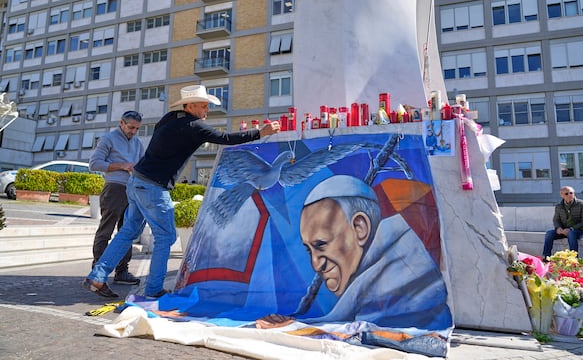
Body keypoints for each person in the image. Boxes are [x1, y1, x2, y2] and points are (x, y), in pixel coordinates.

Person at [82, 85, 281, 298]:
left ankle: (98, 276)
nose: (207, 110)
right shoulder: (194, 126)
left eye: (207, 106)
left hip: (136, 182)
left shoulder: (170, 118)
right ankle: (154, 289)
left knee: (128, 231)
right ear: (191, 106)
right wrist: (261, 133)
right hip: (153, 187)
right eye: (203, 106)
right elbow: (225, 139)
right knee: (166, 236)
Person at [258, 175, 452, 331]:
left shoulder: (404, 271)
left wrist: (296, 328)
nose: (316, 265)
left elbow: (372, 331)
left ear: (360, 228)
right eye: (309, 250)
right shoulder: (376, 273)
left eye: (321, 244)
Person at [89, 110, 144, 285]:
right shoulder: (108, 139)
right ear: (121, 123)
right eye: (131, 127)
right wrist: (122, 165)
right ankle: (97, 272)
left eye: (137, 129)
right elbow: (94, 164)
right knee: (106, 230)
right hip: (114, 189)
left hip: (132, 191)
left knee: (126, 232)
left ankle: (122, 272)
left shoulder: (138, 143)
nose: (134, 132)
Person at [542, 186, 583, 260]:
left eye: (571, 193)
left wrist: (572, 228)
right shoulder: (559, 206)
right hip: (563, 230)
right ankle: (546, 257)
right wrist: (558, 228)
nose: (569, 195)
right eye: (566, 193)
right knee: (549, 233)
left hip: (578, 231)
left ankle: (573, 259)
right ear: (562, 195)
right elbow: (556, 220)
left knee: (571, 233)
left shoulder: (582, 204)